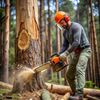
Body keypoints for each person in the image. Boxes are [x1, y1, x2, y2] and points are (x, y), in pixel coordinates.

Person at [54, 11, 91, 100]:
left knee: (79, 69)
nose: (62, 25)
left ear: (66, 19)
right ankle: (75, 92)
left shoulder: (76, 27)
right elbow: (65, 46)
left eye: (62, 22)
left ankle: (80, 95)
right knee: (69, 75)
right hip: (76, 53)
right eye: (60, 24)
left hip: (85, 50)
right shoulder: (65, 33)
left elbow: (76, 42)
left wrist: (66, 53)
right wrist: (58, 55)